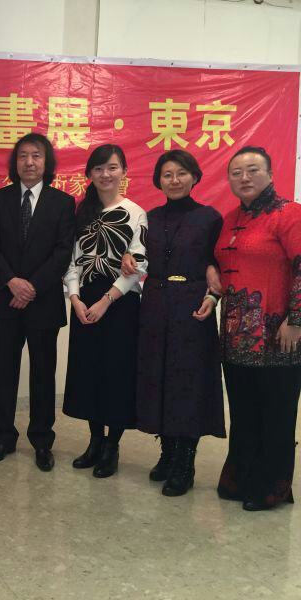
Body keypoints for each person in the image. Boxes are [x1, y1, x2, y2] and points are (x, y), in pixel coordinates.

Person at [122, 150, 225, 496]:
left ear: (194, 177)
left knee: (187, 383)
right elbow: (137, 254)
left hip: (192, 308)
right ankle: (167, 453)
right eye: (167, 175)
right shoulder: (150, 218)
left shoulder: (209, 218)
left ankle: (185, 463)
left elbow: (219, 265)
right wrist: (128, 256)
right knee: (159, 378)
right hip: (154, 306)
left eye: (181, 173)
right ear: (158, 181)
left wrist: (212, 297)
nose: (175, 180)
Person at [211, 146, 301, 510]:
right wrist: (210, 269)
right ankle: (242, 478)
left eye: (252, 170)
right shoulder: (230, 218)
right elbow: (216, 259)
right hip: (235, 337)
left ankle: (271, 487)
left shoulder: (288, 214)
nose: (244, 178)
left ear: (270, 174)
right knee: (244, 412)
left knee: (276, 413)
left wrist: (296, 320)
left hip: (278, 335)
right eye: (236, 172)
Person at [0, 133, 76, 470]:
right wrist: (12, 282)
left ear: (46, 162)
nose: (29, 162)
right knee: (6, 372)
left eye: (36, 155)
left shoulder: (63, 202)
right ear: (15, 162)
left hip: (43, 303)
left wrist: (32, 286)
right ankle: (4, 437)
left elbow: (62, 252)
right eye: (23, 155)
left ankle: (42, 440)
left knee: (43, 375)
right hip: (5, 301)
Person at [62, 144, 147, 478]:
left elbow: (139, 264)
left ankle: (112, 446)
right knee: (89, 374)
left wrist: (106, 300)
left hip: (120, 305)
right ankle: (95, 441)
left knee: (117, 376)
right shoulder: (82, 212)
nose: (105, 174)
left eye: (112, 167)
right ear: (89, 174)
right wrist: (75, 298)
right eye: (98, 169)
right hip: (84, 304)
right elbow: (72, 261)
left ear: (124, 171)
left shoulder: (135, 213)